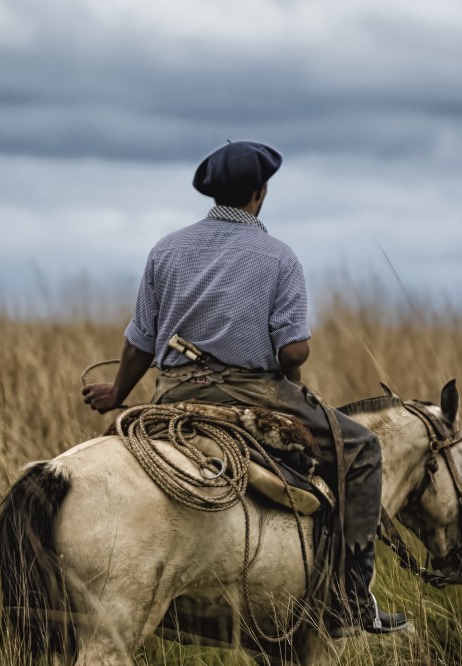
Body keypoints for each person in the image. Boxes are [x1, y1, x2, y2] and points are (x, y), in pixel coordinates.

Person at [81, 140, 408, 637]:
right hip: (252, 394)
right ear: (261, 193)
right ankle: (352, 599)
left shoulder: (166, 249)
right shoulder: (279, 258)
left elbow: (139, 342)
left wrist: (117, 391)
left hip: (171, 392)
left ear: (213, 195)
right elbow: (293, 353)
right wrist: (292, 359)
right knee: (362, 450)